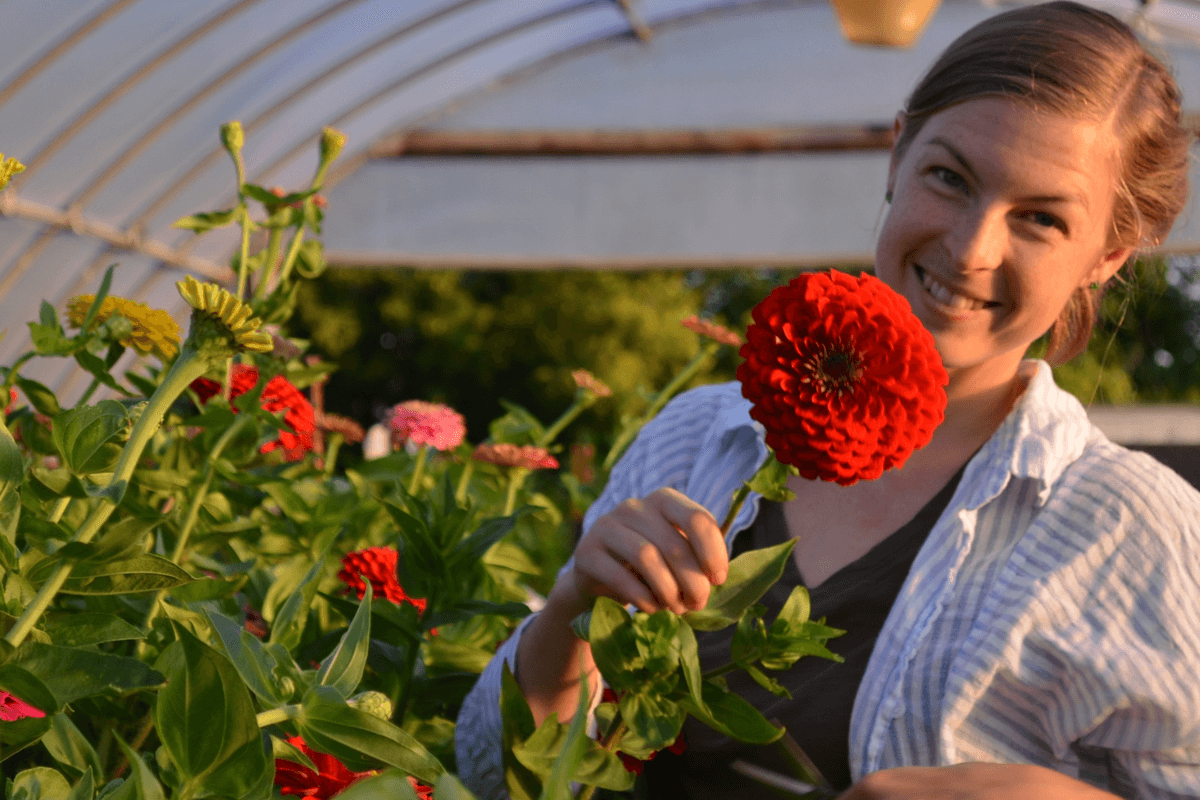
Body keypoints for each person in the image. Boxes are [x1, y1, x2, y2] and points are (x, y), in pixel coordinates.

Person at [455, 2, 1200, 798]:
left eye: (1042, 219)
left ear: (1107, 257)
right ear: (895, 154)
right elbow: (490, 775)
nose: (972, 248)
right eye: (949, 177)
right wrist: (573, 611)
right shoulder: (704, 438)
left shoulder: (1131, 528)